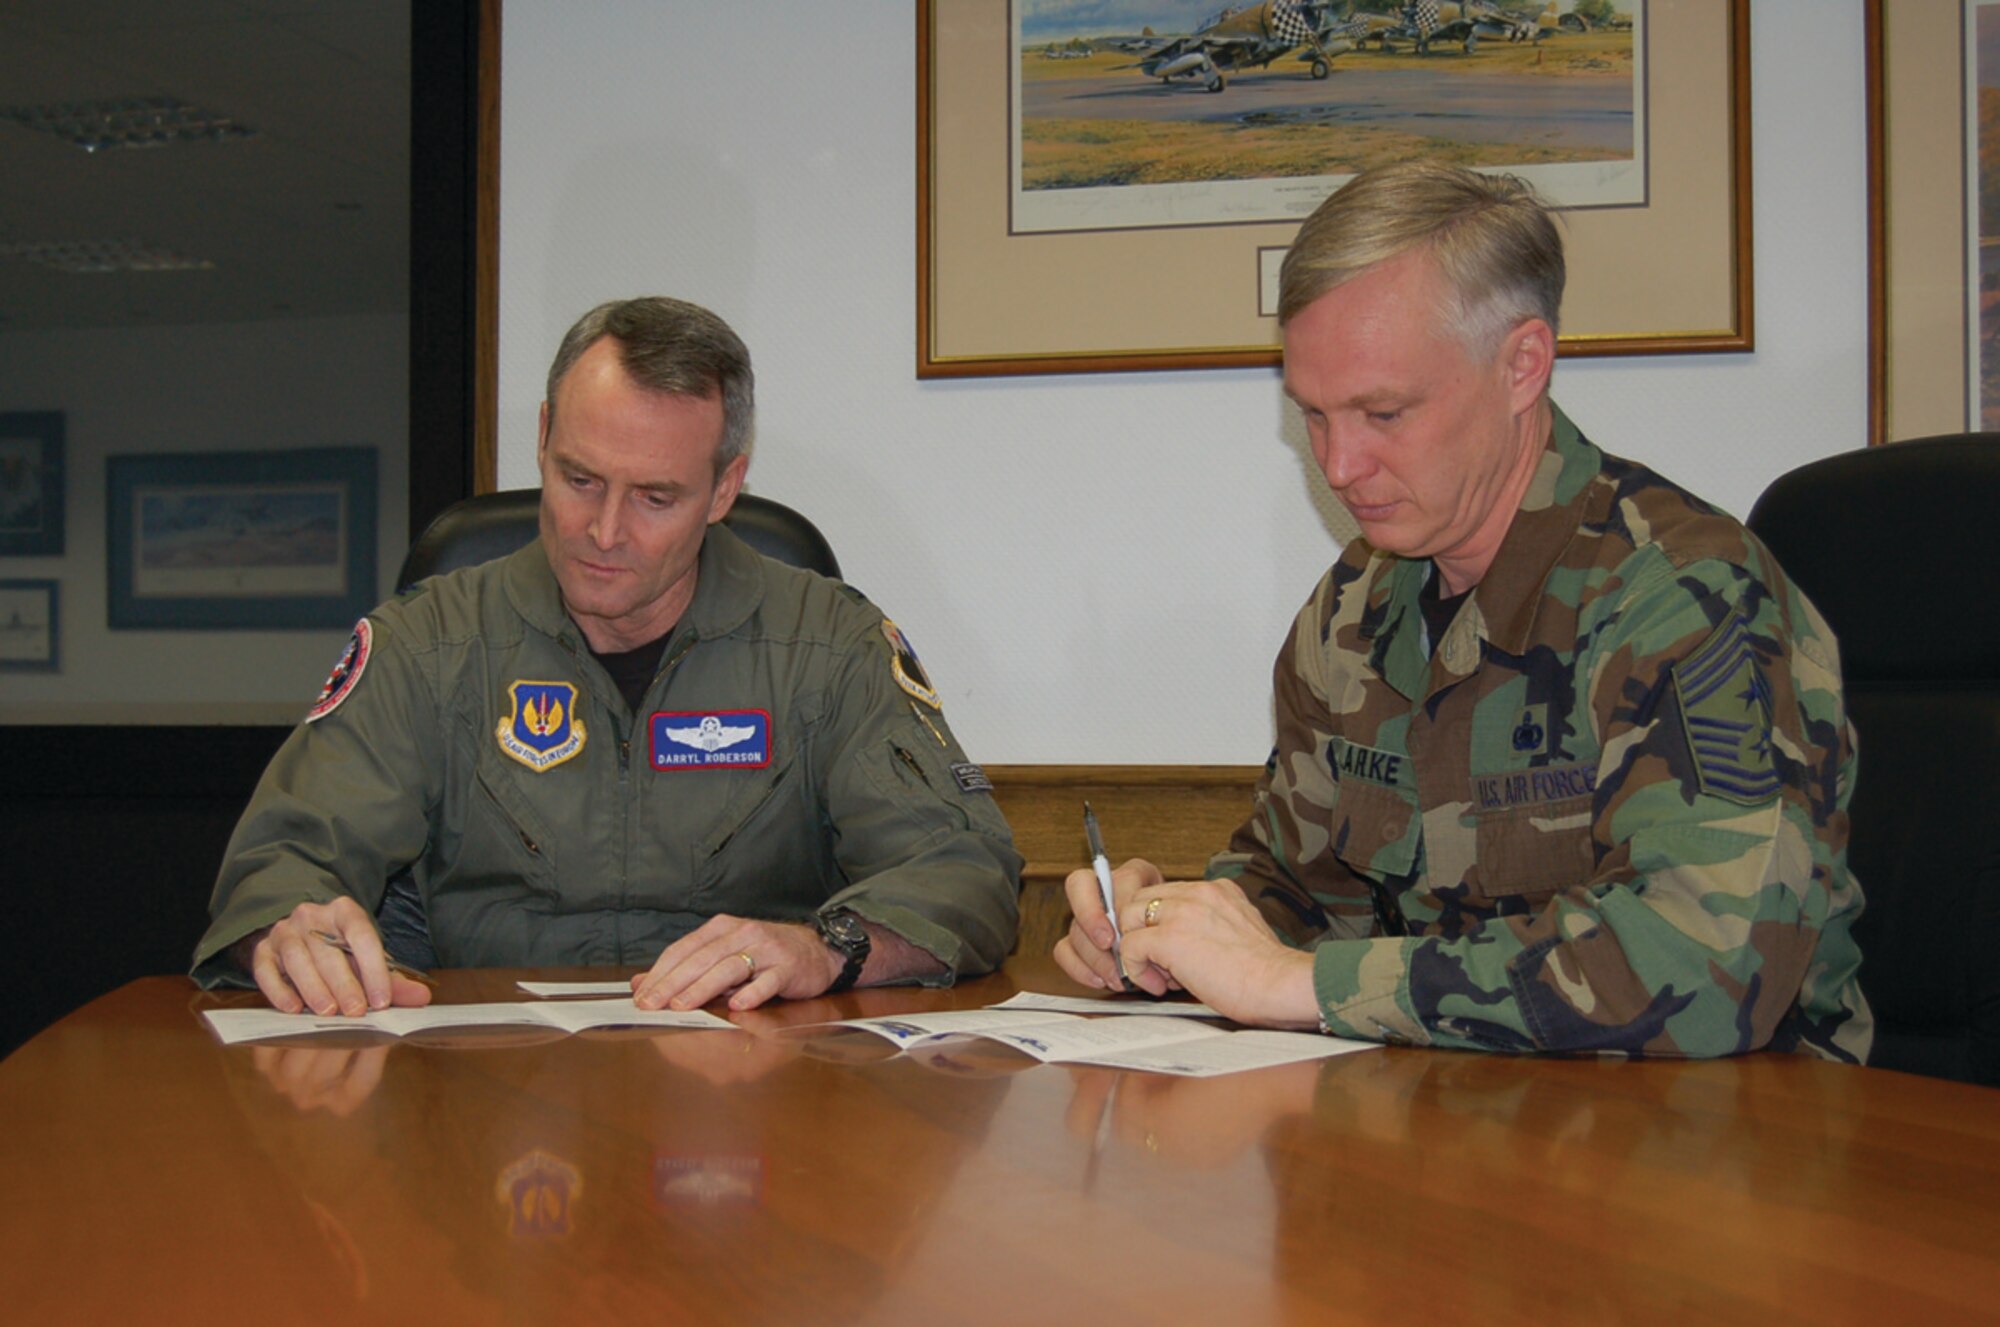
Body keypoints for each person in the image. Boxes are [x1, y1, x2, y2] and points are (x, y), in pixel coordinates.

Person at [1055, 162, 1872, 1062]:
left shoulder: (1681, 597)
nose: (1337, 466)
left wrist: (1301, 985)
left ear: (1521, 365)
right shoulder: (1354, 611)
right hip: (1449, 1128)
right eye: (1314, 416)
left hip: (1723, 1147)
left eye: (1382, 412)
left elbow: (1710, 970)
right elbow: (1301, 884)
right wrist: (1171, 928)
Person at [195, 297, 1020, 1017]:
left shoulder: (826, 646)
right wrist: (286, 927)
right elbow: (279, 863)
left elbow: (964, 867)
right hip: (483, 1095)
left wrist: (828, 948)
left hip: (751, 1101)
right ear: (545, 436)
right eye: (580, 478)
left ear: (726, 488)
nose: (604, 531)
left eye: (656, 498)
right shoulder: (428, 646)